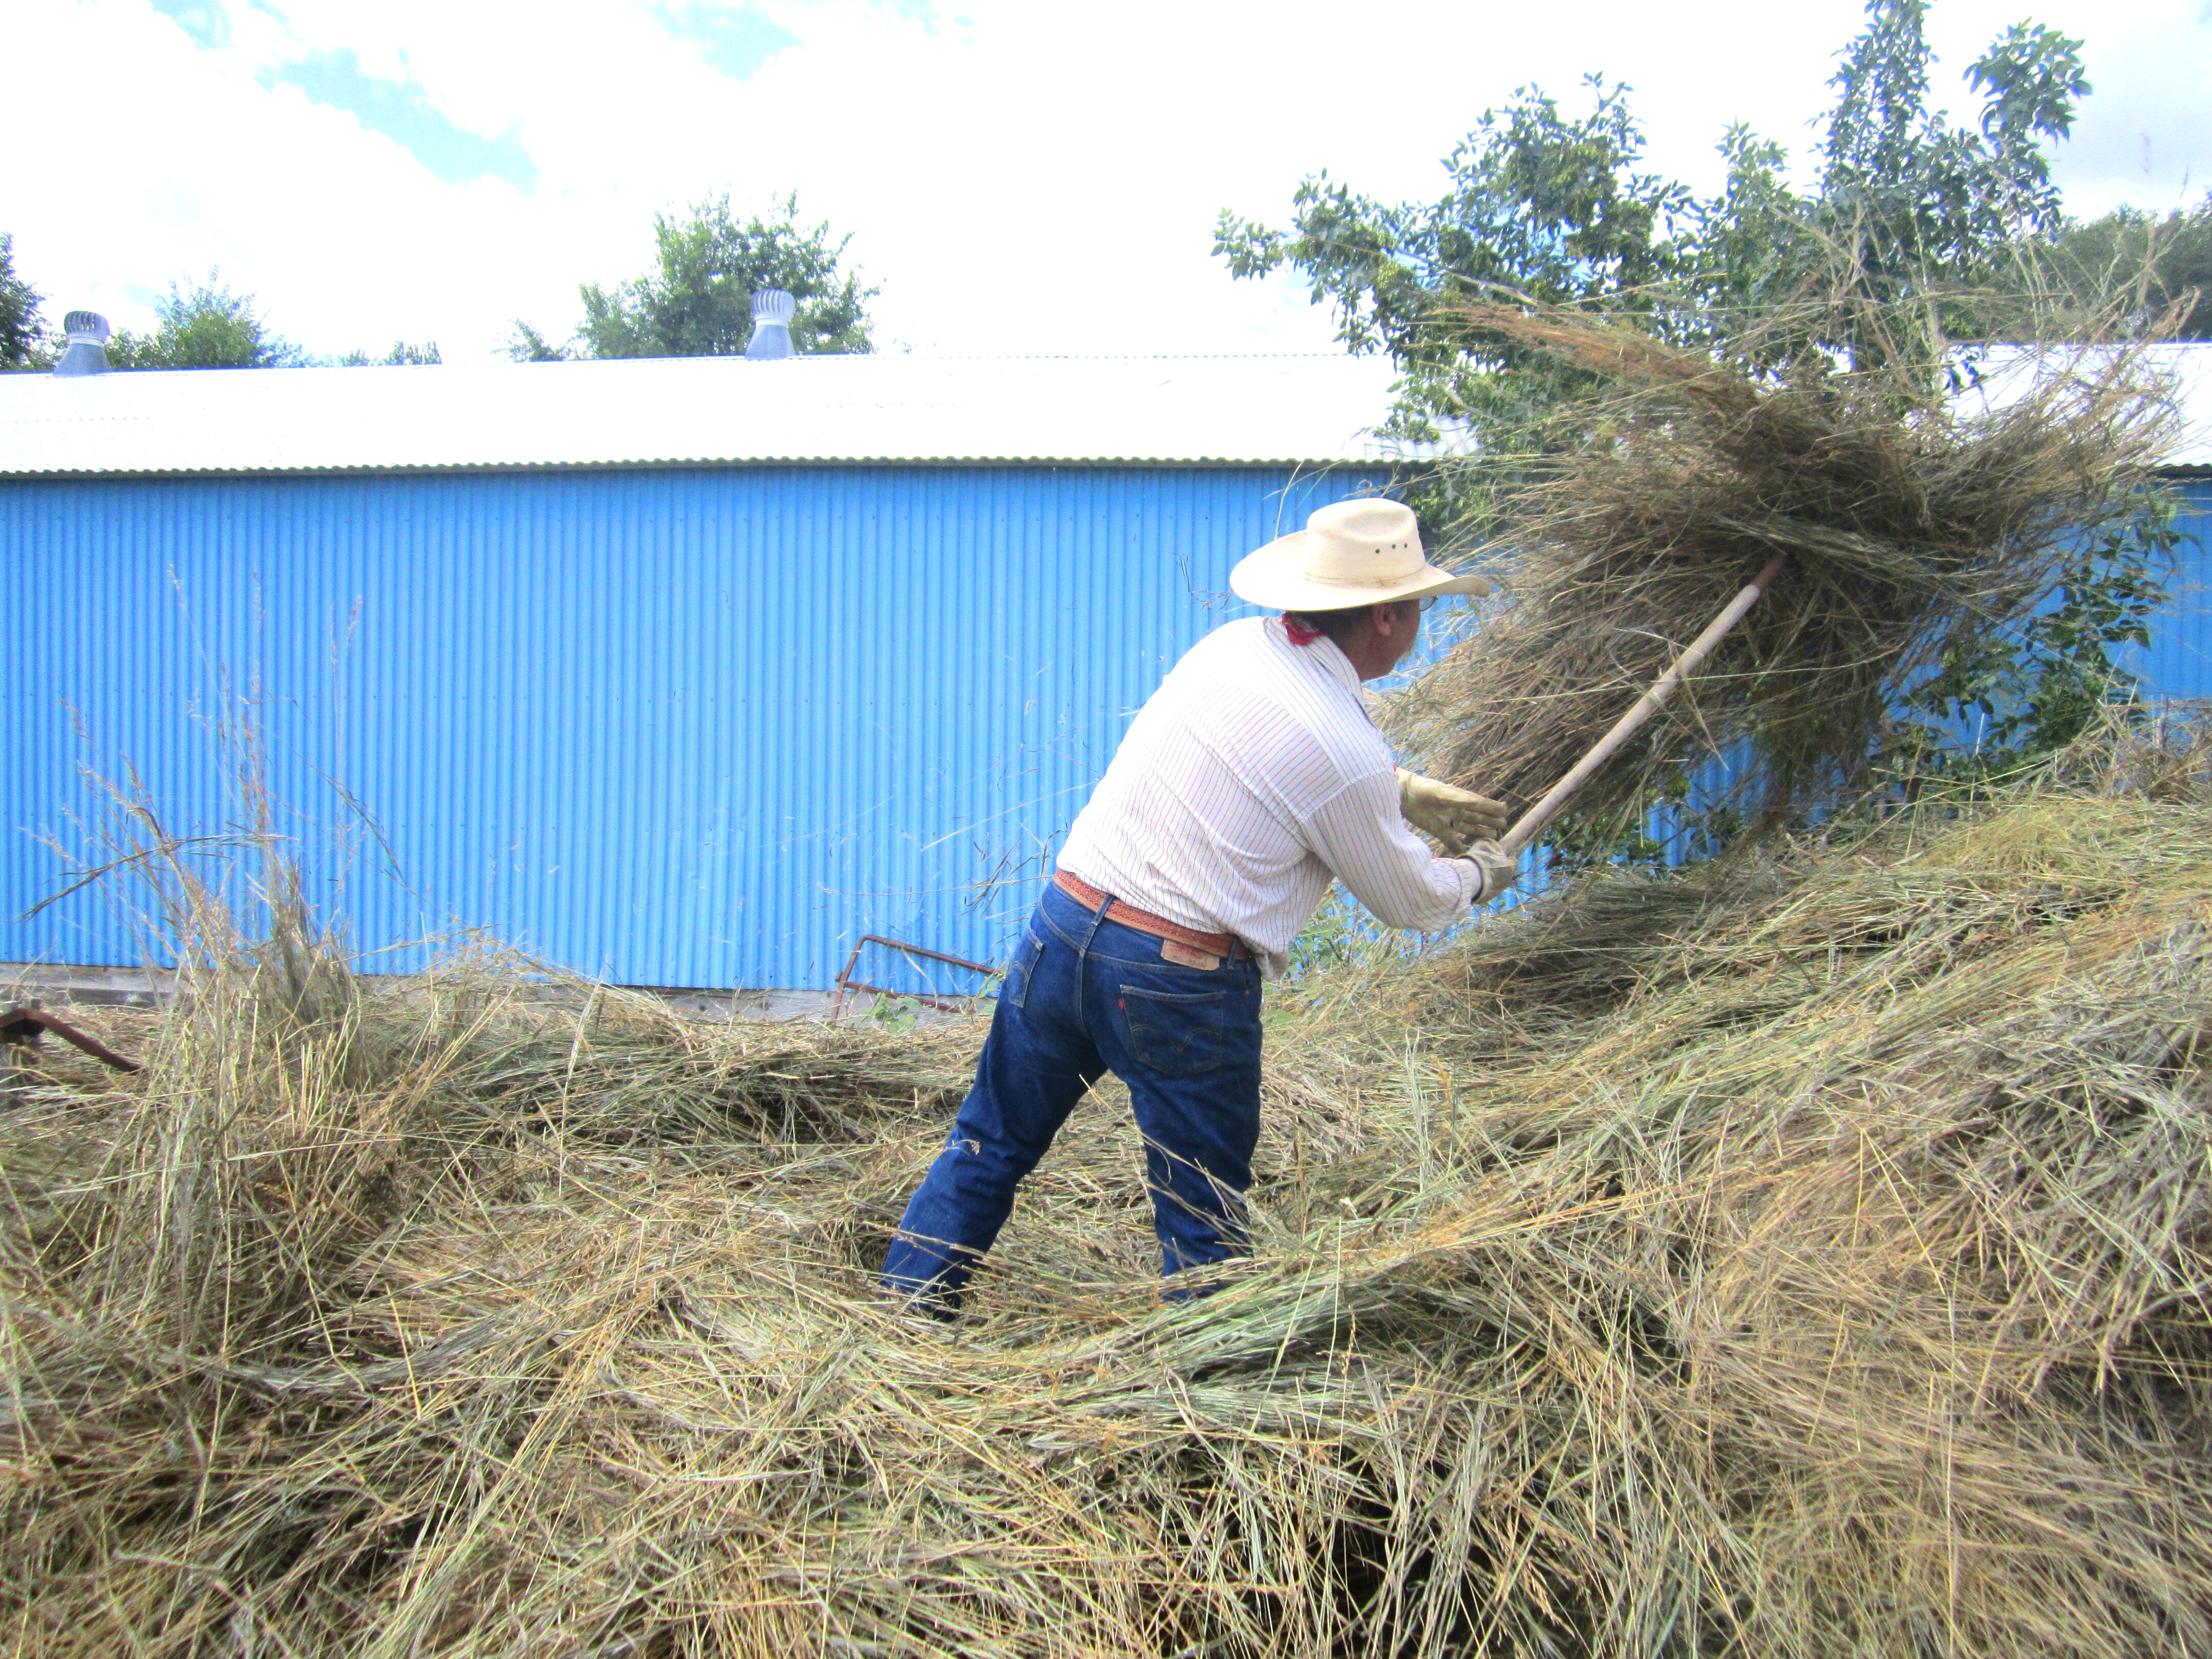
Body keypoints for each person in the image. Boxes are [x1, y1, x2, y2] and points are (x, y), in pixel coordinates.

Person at [878, 498, 1517, 1315]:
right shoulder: (1344, 748)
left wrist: (1396, 790)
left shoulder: (1233, 648)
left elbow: (1270, 761)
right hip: (1174, 982)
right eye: (1419, 604)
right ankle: (1200, 1384)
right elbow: (1412, 901)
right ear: (1387, 617)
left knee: (989, 1140)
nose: (1422, 619)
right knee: (1202, 1217)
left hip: (1064, 928)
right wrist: (1476, 875)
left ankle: (902, 1318)